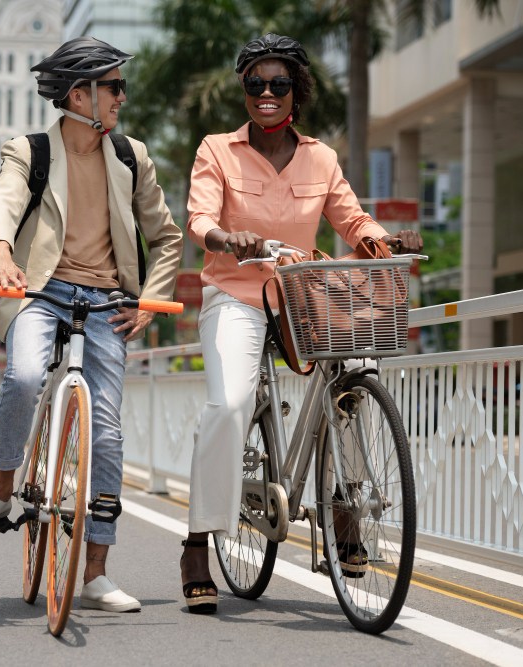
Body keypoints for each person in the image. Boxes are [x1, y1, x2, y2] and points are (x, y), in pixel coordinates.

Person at [181, 33, 423, 615]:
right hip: (237, 295)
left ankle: (346, 516)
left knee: (354, 377)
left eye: (279, 83)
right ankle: (195, 543)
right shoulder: (217, 149)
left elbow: (350, 216)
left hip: (304, 297)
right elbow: (199, 217)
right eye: (255, 84)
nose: (267, 93)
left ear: (297, 91)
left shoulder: (321, 157)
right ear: (244, 90)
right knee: (230, 403)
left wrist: (382, 241)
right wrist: (223, 237)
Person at [0, 36, 183, 613]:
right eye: (115, 86)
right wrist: (0, 251)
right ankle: (2, 490)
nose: (123, 97)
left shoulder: (132, 157)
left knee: (106, 431)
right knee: (25, 376)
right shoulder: (29, 150)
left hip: (107, 302)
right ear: (81, 95)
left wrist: (148, 303)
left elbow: (167, 237)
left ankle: (96, 572)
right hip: (38, 291)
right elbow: (2, 200)